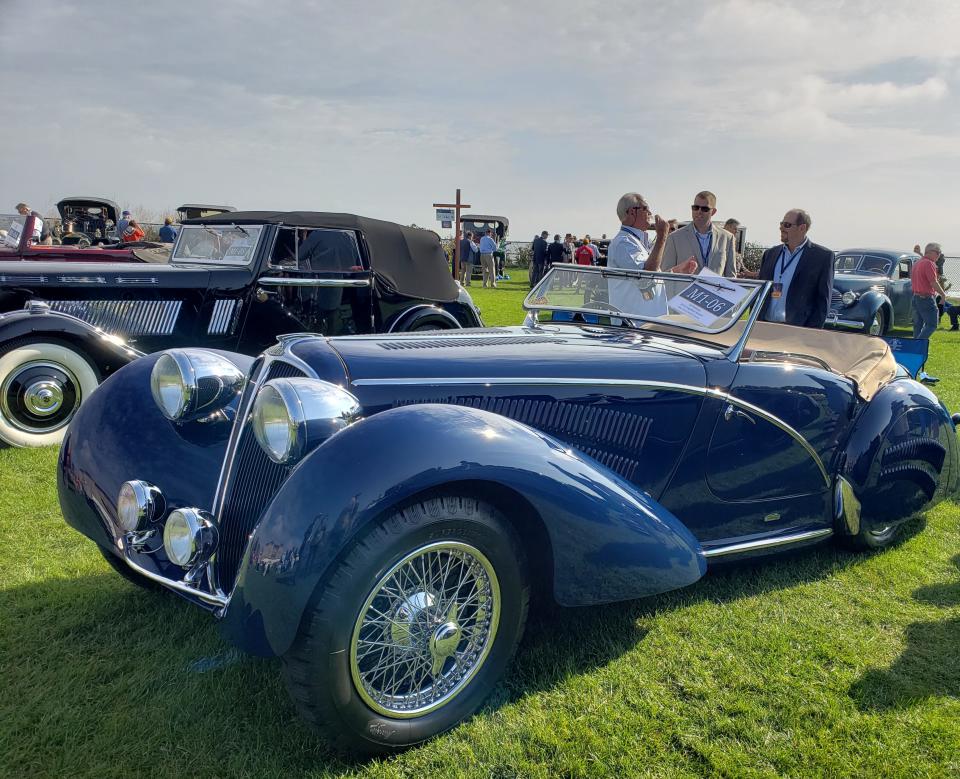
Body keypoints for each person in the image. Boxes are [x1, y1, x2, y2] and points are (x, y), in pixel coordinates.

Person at [607, 192, 697, 313]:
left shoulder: (637, 241)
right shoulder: (623, 243)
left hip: (646, 321)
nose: (650, 213)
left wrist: (676, 271)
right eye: (645, 208)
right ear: (632, 212)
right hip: (634, 323)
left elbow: (652, 276)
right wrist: (662, 237)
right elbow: (646, 275)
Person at [758, 209, 833, 329]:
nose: (781, 228)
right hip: (764, 326)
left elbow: (823, 301)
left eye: (787, 225)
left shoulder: (822, 257)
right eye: (781, 224)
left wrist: (809, 332)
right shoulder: (770, 254)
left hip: (796, 330)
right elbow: (760, 291)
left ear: (802, 228)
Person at [661, 191, 736, 277]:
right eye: (696, 207)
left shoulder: (727, 238)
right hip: (685, 290)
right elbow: (665, 274)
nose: (699, 211)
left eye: (704, 209)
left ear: (713, 211)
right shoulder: (674, 238)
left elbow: (731, 277)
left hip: (714, 290)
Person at [912, 243, 947, 340]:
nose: (939, 255)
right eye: (938, 253)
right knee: (932, 325)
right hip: (926, 298)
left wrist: (919, 253)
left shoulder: (917, 263)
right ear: (931, 252)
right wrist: (943, 295)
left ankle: (916, 349)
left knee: (918, 326)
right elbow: (933, 282)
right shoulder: (928, 263)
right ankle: (917, 345)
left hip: (916, 297)